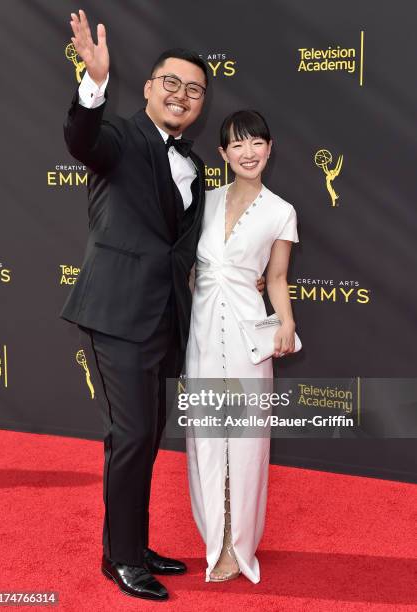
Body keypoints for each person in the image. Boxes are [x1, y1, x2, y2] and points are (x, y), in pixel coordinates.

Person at [61, 10, 208, 602]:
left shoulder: (194, 164)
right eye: (170, 82)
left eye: (194, 89)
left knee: (145, 438)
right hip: (117, 314)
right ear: (147, 88)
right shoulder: (119, 137)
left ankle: (132, 541)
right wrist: (92, 85)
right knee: (132, 435)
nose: (181, 94)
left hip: (161, 318)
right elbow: (82, 139)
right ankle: (118, 558)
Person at [185, 110, 299, 583]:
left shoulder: (280, 211)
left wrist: (286, 324)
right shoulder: (203, 202)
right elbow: (188, 266)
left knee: (247, 443)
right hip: (203, 332)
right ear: (223, 154)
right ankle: (216, 541)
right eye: (237, 145)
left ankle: (239, 545)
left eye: (257, 143)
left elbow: (276, 277)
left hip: (250, 334)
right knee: (208, 440)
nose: (248, 153)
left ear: (270, 149)